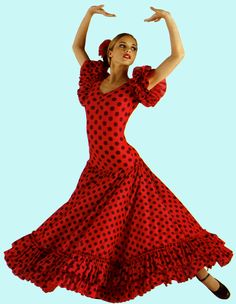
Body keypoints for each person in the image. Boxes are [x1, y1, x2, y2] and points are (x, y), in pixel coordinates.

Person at [4, 4, 233, 303]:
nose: (129, 50)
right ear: (109, 52)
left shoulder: (137, 85)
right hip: (96, 171)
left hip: (127, 172)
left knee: (164, 227)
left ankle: (203, 274)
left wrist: (169, 19)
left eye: (134, 47)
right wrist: (89, 14)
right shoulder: (92, 81)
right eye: (122, 45)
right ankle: (87, 274)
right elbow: (76, 46)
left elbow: (178, 56)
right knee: (76, 223)